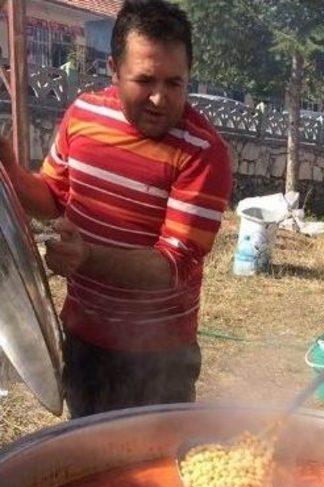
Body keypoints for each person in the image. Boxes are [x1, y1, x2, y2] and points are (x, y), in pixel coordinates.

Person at [0, 0, 232, 416]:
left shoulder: (204, 153)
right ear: (112, 69)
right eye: (144, 80)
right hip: (84, 339)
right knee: (87, 462)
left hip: (160, 358)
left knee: (155, 472)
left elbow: (170, 268)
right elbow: (52, 198)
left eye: (175, 83)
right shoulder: (83, 117)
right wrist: (10, 171)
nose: (160, 99)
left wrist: (85, 257)